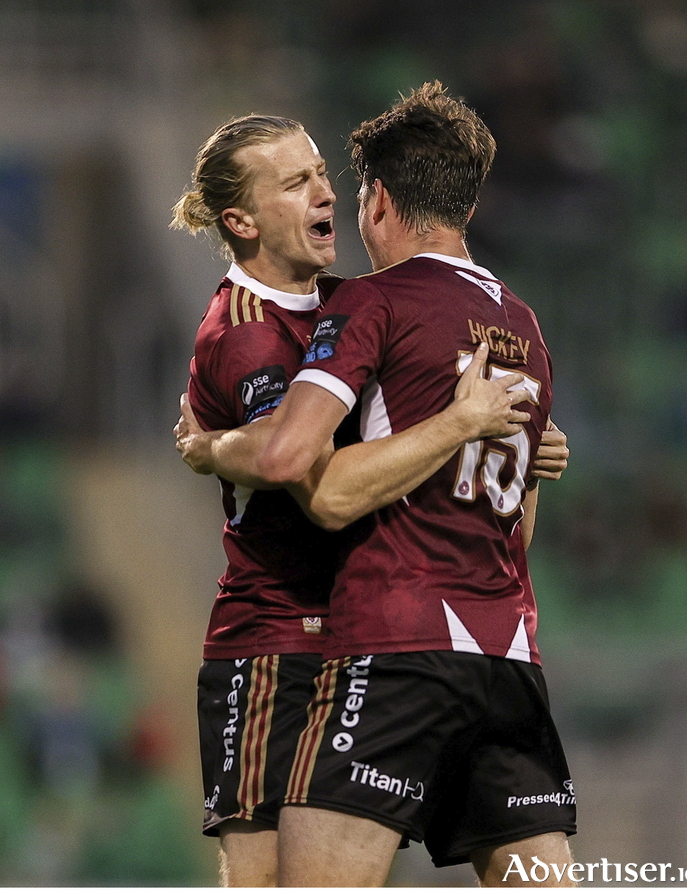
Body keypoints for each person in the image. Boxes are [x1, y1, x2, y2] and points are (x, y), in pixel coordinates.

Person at [170, 112, 558, 887]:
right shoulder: (248, 332)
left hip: (376, 635)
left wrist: (510, 444)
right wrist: (211, 449)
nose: (323, 193)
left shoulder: (358, 299)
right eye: (294, 182)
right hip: (280, 640)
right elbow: (293, 459)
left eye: (321, 172)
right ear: (241, 220)